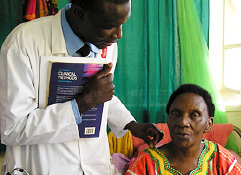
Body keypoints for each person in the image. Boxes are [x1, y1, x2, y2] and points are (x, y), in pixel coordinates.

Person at [0, 0, 163, 174]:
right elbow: (11, 129)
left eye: (121, 24)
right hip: (43, 166)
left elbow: (102, 94)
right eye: (109, 26)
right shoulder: (24, 42)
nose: (118, 35)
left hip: (96, 165)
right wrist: (81, 105)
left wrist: (131, 124)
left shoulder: (106, 43)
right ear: (79, 14)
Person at [126, 84, 241, 175]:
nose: (183, 122)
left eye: (194, 115)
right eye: (175, 114)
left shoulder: (222, 162)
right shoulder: (145, 164)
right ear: (168, 119)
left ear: (209, 124)